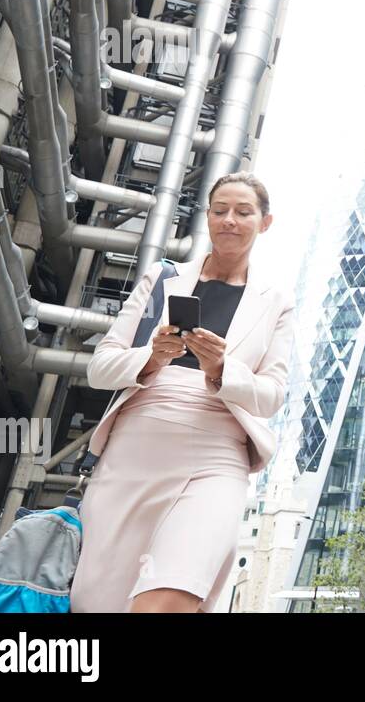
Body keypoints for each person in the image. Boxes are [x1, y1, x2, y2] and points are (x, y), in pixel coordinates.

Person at [70, 171, 295, 613]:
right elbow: (100, 367)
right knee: (101, 598)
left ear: (264, 223)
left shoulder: (276, 300)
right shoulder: (163, 278)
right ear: (207, 216)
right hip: (136, 446)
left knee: (174, 589)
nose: (230, 220)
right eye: (220, 210)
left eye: (243, 212)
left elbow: (272, 395)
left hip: (218, 452)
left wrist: (221, 369)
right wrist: (152, 357)